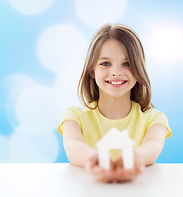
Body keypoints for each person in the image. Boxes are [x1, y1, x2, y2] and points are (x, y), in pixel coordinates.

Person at [58, 23, 172, 183]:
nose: (116, 72)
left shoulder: (154, 119)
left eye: (127, 64)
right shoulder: (74, 117)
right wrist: (96, 160)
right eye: (105, 63)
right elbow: (72, 145)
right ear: (92, 71)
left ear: (139, 69)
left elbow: (153, 146)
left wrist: (134, 158)